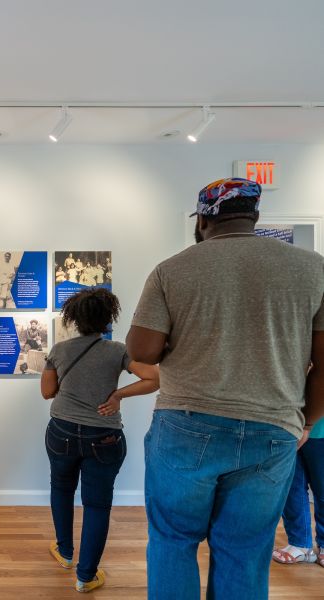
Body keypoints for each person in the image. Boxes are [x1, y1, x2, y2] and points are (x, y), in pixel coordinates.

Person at [127, 178, 324, 600]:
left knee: (174, 540)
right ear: (255, 216)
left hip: (185, 424)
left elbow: (142, 351)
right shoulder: (313, 268)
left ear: (202, 220)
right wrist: (306, 423)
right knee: (245, 551)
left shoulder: (172, 269)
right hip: (273, 428)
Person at [41, 288, 160, 593]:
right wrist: (118, 394)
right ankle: (86, 577)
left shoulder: (59, 350)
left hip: (62, 432)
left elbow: (47, 392)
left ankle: (65, 553)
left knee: (61, 489)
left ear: (74, 318)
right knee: (97, 505)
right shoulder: (117, 351)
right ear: (108, 319)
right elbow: (154, 378)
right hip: (103, 436)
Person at [272, 418, 324, 566]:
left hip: (320, 430)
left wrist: (307, 427)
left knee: (322, 489)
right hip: (288, 427)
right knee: (291, 488)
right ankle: (299, 544)